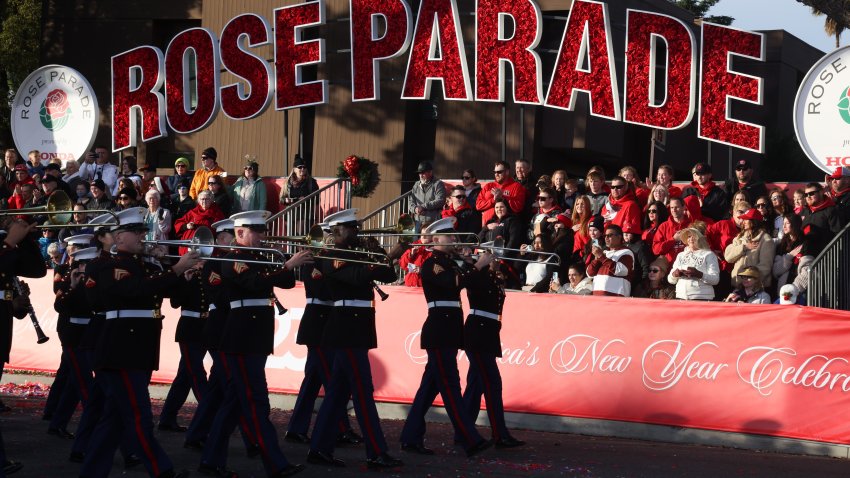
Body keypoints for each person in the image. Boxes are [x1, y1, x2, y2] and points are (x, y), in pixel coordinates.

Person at [79, 207, 199, 478]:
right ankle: (161, 469)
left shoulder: (142, 263)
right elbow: (134, 290)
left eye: (142, 231)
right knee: (138, 415)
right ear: (119, 237)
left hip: (137, 348)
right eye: (136, 232)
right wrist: (175, 269)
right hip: (121, 348)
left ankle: (91, 473)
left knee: (113, 420)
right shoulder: (110, 264)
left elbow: (172, 294)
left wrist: (178, 272)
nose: (142, 236)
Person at [199, 210, 309, 477]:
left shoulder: (258, 255)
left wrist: (285, 265)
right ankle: (275, 463)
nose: (263, 236)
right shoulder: (232, 258)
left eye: (263, 231)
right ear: (240, 233)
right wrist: (285, 265)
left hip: (255, 336)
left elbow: (284, 281)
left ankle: (211, 461)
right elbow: (252, 283)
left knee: (236, 403)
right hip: (242, 336)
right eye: (257, 231)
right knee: (256, 401)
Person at [307, 208, 405, 469]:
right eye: (351, 228)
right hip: (345, 328)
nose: (357, 231)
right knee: (363, 392)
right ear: (337, 230)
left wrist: (386, 253)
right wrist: (386, 255)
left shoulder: (358, 252)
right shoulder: (331, 255)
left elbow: (388, 275)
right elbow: (357, 276)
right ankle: (376, 452)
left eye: (356, 227)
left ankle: (318, 448)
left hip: (358, 327)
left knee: (338, 394)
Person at [400, 217, 492, 458]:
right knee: (450, 387)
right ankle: (469, 438)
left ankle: (410, 436)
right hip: (439, 333)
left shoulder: (450, 262)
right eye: (449, 236)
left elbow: (472, 283)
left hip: (448, 332)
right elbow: (455, 284)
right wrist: (477, 265)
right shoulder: (433, 264)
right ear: (436, 239)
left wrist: (472, 262)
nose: (453, 239)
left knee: (428, 390)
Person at [184, 219, 260, 458]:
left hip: (232, 329)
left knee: (219, 388)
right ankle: (253, 440)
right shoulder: (215, 264)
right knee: (234, 389)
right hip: (221, 331)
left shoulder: (240, 259)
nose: (230, 241)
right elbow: (221, 297)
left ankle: (196, 434)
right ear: (219, 240)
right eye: (226, 237)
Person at [285, 229, 360, 446]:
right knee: (332, 380)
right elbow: (325, 288)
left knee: (314, 381)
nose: (328, 243)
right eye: (325, 239)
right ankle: (341, 428)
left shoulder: (328, 260)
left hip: (325, 325)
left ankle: (296, 428)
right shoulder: (313, 263)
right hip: (318, 327)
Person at [459, 250, 525, 449]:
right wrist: (476, 263)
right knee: (492, 383)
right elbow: (470, 280)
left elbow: (504, 289)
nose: (494, 259)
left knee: (476, 385)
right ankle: (499, 434)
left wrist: (495, 270)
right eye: (490, 257)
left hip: (488, 333)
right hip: (478, 333)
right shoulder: (475, 274)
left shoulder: (493, 276)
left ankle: (464, 431)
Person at [724, 208, 775, 290]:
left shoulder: (766, 240)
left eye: (746, 219)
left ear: (754, 221)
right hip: (737, 286)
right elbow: (728, 257)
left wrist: (749, 281)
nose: (743, 221)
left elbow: (765, 267)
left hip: (756, 289)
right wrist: (744, 247)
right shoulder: (739, 238)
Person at [668, 228, 720, 300]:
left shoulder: (709, 254)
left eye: (694, 236)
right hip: (681, 296)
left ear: (699, 239)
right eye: (689, 236)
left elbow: (715, 279)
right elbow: (670, 280)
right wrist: (675, 274)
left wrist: (699, 274)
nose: (691, 239)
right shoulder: (681, 255)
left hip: (701, 297)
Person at [586, 225, 634, 297]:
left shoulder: (626, 252)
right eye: (605, 235)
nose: (606, 238)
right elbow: (589, 273)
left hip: (616, 298)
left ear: (619, 237)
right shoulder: (604, 253)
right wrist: (597, 258)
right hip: (597, 297)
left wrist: (601, 257)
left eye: (609, 235)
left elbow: (621, 270)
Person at [476, 160, 526, 225]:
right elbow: (478, 205)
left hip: (506, 226)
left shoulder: (517, 186)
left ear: (507, 172)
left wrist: (502, 197)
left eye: (499, 172)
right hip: (487, 226)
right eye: (495, 172)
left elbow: (519, 207)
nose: (496, 174)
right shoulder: (488, 186)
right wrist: (493, 200)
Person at [800, 182, 843, 256]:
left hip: (824, 257)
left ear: (821, 192)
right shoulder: (804, 211)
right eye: (806, 195)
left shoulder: (831, 211)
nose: (808, 197)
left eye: (811, 193)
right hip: (805, 254)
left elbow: (838, 236)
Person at [408, 161, 446, 232]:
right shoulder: (416, 185)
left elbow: (441, 200)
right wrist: (415, 209)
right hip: (418, 222)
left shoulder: (438, 184)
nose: (420, 175)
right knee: (416, 242)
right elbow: (410, 202)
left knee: (431, 242)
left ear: (430, 172)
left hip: (433, 222)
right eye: (419, 173)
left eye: (423, 173)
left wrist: (423, 206)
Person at [652, 197, 692, 264]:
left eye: (677, 207)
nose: (674, 210)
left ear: (683, 207)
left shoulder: (691, 225)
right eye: (672, 208)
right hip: (669, 267)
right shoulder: (664, 226)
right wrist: (673, 240)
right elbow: (656, 249)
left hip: (688, 265)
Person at [772, 214, 808, 289]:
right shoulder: (781, 245)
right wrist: (789, 256)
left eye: (787, 223)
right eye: (783, 223)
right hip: (782, 289)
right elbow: (776, 271)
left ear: (795, 224)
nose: (784, 226)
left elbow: (806, 270)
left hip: (798, 289)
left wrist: (794, 289)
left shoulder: (805, 243)